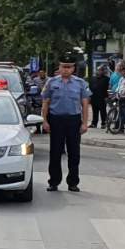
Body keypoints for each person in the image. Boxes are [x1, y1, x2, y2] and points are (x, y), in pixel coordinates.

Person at [41, 55, 91, 193]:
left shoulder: (80, 83)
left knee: (74, 153)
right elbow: (45, 102)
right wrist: (44, 120)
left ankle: (73, 182)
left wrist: (85, 123)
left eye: (69, 67)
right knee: (55, 152)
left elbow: (85, 104)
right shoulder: (51, 82)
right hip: (56, 120)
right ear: (59, 67)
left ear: (73, 68)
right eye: (63, 66)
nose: (66, 70)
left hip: (74, 120)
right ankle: (54, 181)